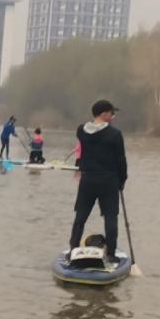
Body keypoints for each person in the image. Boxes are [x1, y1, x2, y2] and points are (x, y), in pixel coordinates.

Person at [67, 100, 127, 260]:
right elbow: (121, 160)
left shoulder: (81, 131)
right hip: (108, 180)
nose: (113, 116)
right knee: (110, 217)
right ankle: (112, 254)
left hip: (87, 179)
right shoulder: (115, 135)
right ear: (103, 114)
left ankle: (73, 249)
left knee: (80, 216)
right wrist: (122, 181)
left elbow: (85, 143)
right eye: (111, 113)